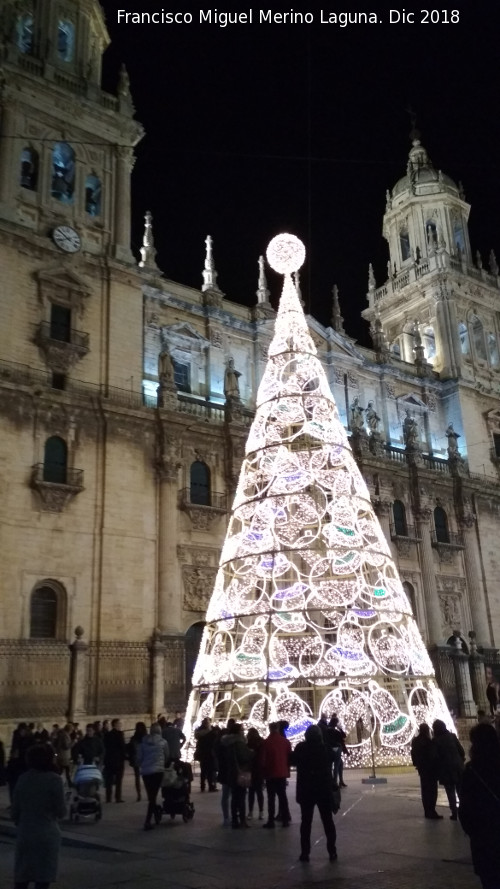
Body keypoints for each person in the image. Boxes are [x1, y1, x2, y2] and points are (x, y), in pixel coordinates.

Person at [12, 742, 66, 889]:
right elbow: (61, 811)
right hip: (47, 832)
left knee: (22, 876)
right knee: (43, 878)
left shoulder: (23, 778)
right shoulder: (54, 780)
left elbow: (15, 811)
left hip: (26, 832)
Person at [459, 723, 500, 889]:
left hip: (485, 838)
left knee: (490, 880)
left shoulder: (472, 770)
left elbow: (466, 809)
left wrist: (474, 832)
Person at [291, 724, 337, 863]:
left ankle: (305, 853)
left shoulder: (301, 748)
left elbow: (292, 761)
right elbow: (333, 757)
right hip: (323, 789)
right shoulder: (325, 748)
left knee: (306, 823)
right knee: (328, 821)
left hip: (306, 790)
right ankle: (332, 851)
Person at [220, 722, 253, 829]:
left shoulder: (226, 742)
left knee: (234, 798)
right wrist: (251, 752)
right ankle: (242, 820)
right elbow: (244, 757)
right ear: (238, 731)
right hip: (240, 772)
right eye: (242, 729)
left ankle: (234, 820)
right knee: (241, 797)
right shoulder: (239, 742)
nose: (243, 731)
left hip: (230, 772)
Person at [138, 723, 169, 831]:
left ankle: (155, 813)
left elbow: (139, 757)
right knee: (153, 797)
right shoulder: (163, 742)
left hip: (146, 772)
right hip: (157, 771)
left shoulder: (143, 742)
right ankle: (147, 821)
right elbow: (167, 756)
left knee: (151, 796)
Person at [432, 719, 465, 820]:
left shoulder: (436, 740)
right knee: (461, 790)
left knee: (450, 792)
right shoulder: (452, 736)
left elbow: (435, 756)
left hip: (446, 769)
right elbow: (461, 751)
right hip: (458, 767)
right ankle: (464, 810)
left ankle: (454, 812)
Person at [260, 722, 291, 829]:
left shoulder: (266, 742)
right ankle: (285, 819)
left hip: (270, 773)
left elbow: (263, 760)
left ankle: (271, 820)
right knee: (283, 797)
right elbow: (289, 757)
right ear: (277, 729)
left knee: (271, 798)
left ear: (270, 729)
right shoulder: (285, 742)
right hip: (282, 773)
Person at [411, 723, 441, 819]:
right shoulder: (428, 741)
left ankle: (427, 811)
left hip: (422, 768)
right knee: (432, 790)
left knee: (425, 790)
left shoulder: (415, 741)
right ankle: (431, 810)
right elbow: (433, 755)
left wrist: (416, 763)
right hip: (430, 769)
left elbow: (413, 753)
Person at [103, 718, 127, 803]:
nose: (121, 725)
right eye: (119, 724)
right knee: (118, 780)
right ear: (115, 725)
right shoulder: (120, 734)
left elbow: (105, 746)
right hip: (118, 760)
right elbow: (122, 747)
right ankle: (118, 797)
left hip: (109, 759)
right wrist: (125, 756)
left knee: (109, 780)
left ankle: (108, 798)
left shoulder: (107, 734)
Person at [194, 717, 217, 792]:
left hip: (202, 753)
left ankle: (202, 786)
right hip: (209, 753)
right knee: (210, 770)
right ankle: (210, 786)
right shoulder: (211, 732)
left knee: (203, 770)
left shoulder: (199, 732)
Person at [246, 726, 264, 820]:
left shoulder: (248, 743)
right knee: (259, 792)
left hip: (251, 770)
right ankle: (261, 812)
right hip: (260, 770)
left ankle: (250, 812)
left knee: (251, 792)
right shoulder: (262, 742)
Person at [127, 721, 148, 802]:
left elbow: (130, 749)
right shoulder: (146, 737)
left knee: (137, 778)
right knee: (146, 778)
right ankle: (148, 794)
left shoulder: (134, 738)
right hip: (145, 759)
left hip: (136, 759)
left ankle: (139, 794)